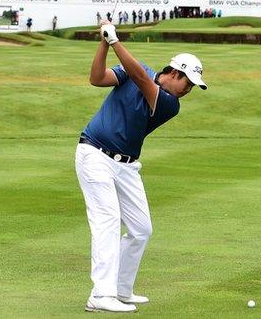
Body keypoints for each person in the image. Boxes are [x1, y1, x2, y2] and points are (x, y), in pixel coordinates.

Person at [77, 22, 207, 313]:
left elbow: (140, 78)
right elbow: (97, 78)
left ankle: (121, 290)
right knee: (108, 222)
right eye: (188, 83)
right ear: (174, 73)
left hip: (126, 165)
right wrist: (103, 43)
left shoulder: (169, 103)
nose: (188, 90)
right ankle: (101, 294)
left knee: (141, 229)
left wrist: (115, 42)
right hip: (94, 154)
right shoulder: (139, 70)